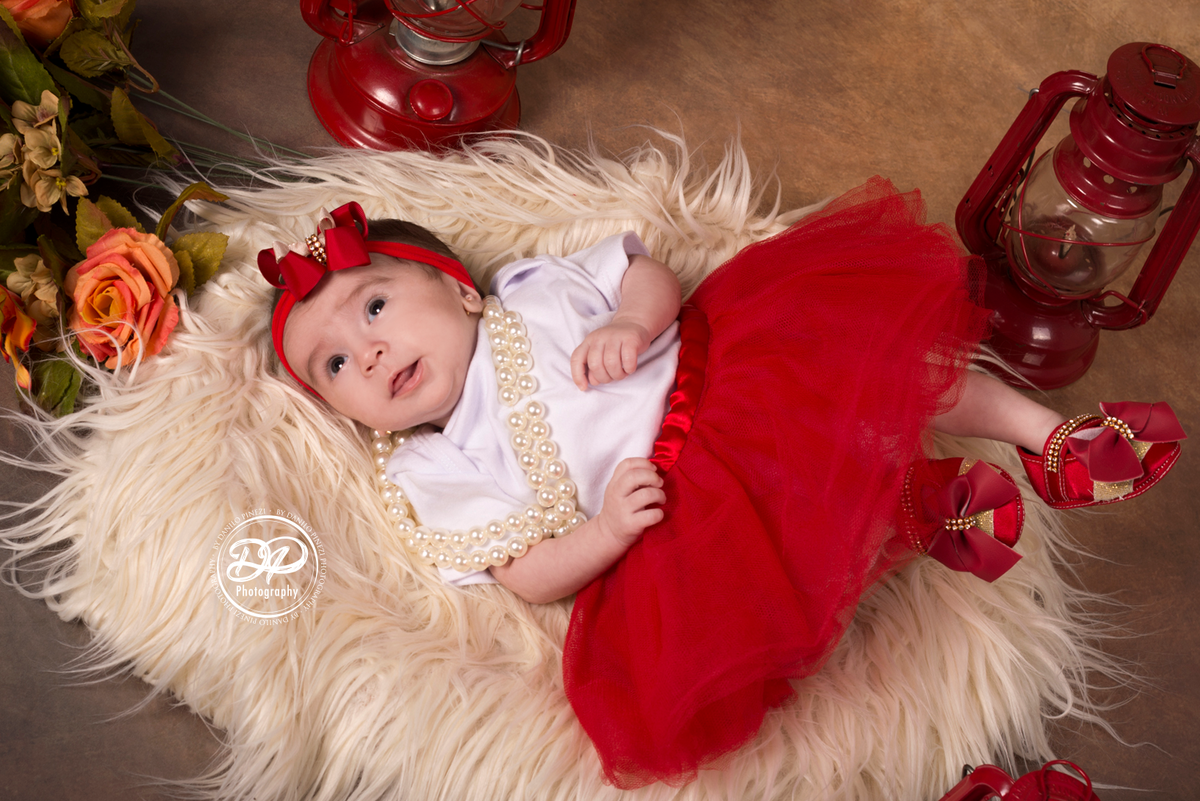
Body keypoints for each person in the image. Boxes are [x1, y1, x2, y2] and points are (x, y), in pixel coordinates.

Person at [257, 178, 1185, 789]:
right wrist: (608, 534)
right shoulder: (431, 464)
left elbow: (647, 273)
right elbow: (525, 573)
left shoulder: (535, 293)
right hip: (676, 499)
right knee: (781, 576)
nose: (367, 348)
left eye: (373, 304)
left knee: (879, 358)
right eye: (334, 365)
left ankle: (1047, 437)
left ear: (458, 288)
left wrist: (629, 315)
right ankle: (914, 509)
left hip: (731, 369)